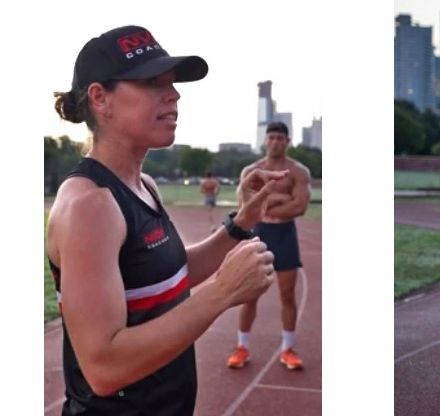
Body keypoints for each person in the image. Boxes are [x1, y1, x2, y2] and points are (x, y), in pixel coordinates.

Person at [46, 25, 285, 415]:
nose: (173, 94)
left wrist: (240, 224)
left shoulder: (144, 185)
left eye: (171, 83)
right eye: (152, 83)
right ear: (100, 98)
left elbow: (165, 274)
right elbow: (103, 369)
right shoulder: (90, 205)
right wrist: (222, 292)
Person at [227, 121, 311, 371]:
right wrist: (281, 198)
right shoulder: (251, 170)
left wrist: (265, 202)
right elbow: (246, 206)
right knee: (249, 294)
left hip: (285, 235)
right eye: (271, 137)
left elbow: (299, 207)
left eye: (280, 138)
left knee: (287, 294)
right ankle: (242, 347)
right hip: (258, 233)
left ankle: (288, 349)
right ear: (265, 141)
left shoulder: (298, 172)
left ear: (287, 141)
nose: (275, 142)